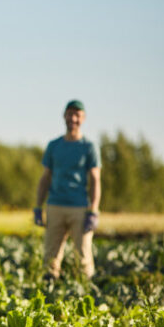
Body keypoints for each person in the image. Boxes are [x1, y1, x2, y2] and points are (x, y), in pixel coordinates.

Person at [34, 100, 101, 280]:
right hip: (55, 206)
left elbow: (95, 179)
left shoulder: (88, 147)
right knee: (50, 257)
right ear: (64, 116)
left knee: (84, 256)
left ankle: (86, 293)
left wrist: (93, 210)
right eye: (70, 114)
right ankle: (49, 295)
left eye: (77, 115)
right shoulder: (54, 146)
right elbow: (45, 178)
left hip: (79, 208)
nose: (73, 118)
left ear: (83, 118)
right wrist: (38, 207)